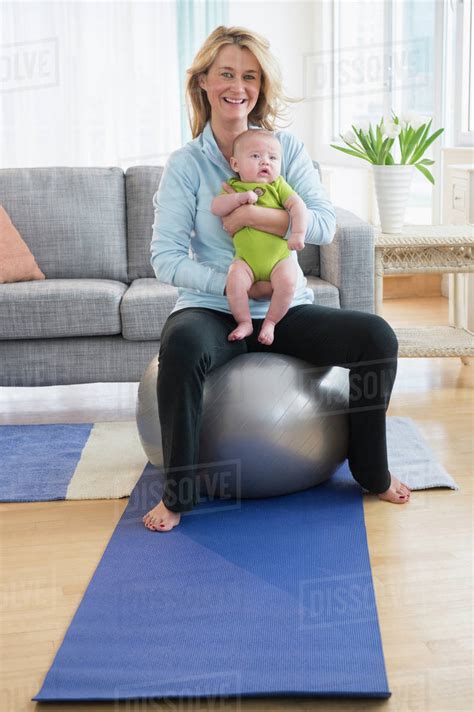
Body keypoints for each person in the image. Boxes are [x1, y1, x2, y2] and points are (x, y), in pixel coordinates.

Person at [143, 26, 411, 533]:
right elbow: (166, 257)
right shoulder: (186, 165)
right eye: (225, 74)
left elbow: (325, 224)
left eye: (249, 76)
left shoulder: (284, 147)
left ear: (261, 85)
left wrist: (253, 220)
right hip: (211, 305)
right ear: (203, 81)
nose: (237, 86)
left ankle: (371, 469)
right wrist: (230, 282)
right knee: (180, 347)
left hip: (286, 308)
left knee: (376, 337)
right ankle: (178, 496)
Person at [211, 128, 307, 345]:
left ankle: (271, 322)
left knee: (288, 282)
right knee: (234, 279)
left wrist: (298, 233)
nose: (266, 162)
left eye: (272, 158)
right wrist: (240, 198)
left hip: (279, 260)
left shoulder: (278, 185)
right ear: (236, 165)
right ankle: (244, 322)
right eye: (256, 156)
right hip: (245, 262)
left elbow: (298, 206)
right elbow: (216, 207)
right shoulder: (234, 186)